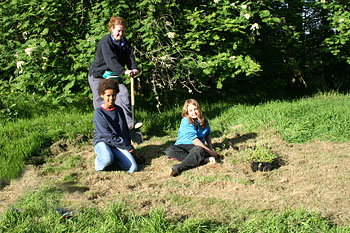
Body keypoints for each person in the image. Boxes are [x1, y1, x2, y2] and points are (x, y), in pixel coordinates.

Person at [88, 16, 142, 130]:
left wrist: (134, 68)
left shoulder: (124, 42)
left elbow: (129, 57)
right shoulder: (105, 42)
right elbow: (110, 60)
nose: (121, 33)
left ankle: (129, 124)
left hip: (113, 75)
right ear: (112, 29)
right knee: (102, 100)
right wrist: (124, 71)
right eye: (118, 30)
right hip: (98, 75)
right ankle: (103, 128)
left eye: (123, 31)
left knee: (123, 94)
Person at [165, 99, 221, 176]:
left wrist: (211, 150)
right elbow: (194, 139)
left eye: (195, 109)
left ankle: (177, 168)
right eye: (190, 110)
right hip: (183, 146)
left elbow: (207, 135)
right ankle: (202, 160)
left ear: (199, 109)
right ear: (187, 112)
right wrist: (211, 153)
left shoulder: (204, 120)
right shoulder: (186, 120)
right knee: (170, 150)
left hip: (196, 147)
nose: (194, 112)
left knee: (198, 149)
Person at [93, 79, 137, 173]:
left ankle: (115, 160)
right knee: (107, 159)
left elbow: (124, 130)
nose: (111, 98)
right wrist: (126, 147)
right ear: (102, 95)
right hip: (103, 141)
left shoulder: (119, 110)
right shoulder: (98, 112)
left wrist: (129, 146)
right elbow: (107, 135)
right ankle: (100, 161)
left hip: (117, 143)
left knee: (133, 168)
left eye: (113, 95)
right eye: (108, 95)